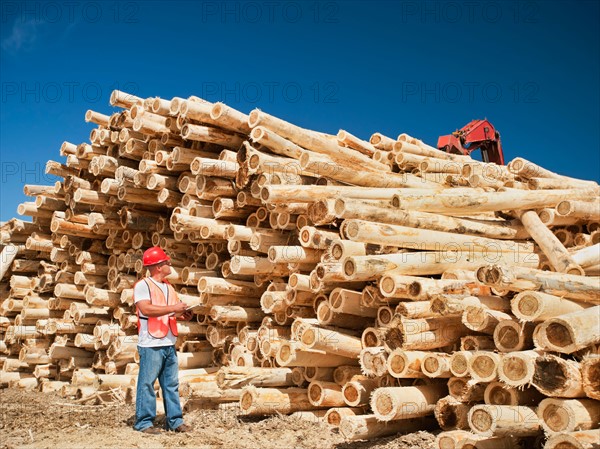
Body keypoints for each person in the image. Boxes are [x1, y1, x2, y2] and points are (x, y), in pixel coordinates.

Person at [132, 246, 193, 434]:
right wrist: (173, 308)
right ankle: (143, 423)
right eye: (166, 262)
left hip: (168, 341)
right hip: (151, 343)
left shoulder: (168, 287)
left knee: (171, 385)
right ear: (158, 266)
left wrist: (183, 314)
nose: (170, 263)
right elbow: (146, 310)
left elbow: (169, 311)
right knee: (147, 384)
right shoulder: (143, 285)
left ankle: (175, 421)